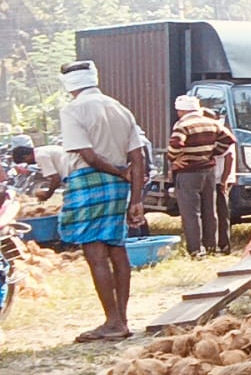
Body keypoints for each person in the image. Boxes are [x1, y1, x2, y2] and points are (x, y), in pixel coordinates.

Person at [56, 60, 146, 342]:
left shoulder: (73, 109)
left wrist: (118, 171)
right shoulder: (119, 108)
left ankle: (111, 321)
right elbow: (138, 158)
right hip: (119, 187)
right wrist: (136, 197)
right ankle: (122, 318)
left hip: (89, 181)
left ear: (69, 86)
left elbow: (89, 155)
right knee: (117, 248)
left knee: (95, 253)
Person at [168, 96, 234, 258]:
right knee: (210, 210)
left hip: (188, 172)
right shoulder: (212, 123)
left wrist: (174, 159)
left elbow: (175, 144)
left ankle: (196, 249)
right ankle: (211, 246)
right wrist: (213, 152)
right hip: (208, 171)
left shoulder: (182, 125)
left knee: (191, 212)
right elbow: (229, 139)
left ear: (181, 111)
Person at [210, 109, 238, 253]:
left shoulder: (221, 134)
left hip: (220, 179)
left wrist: (223, 181)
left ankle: (224, 244)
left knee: (221, 212)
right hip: (213, 179)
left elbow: (229, 158)